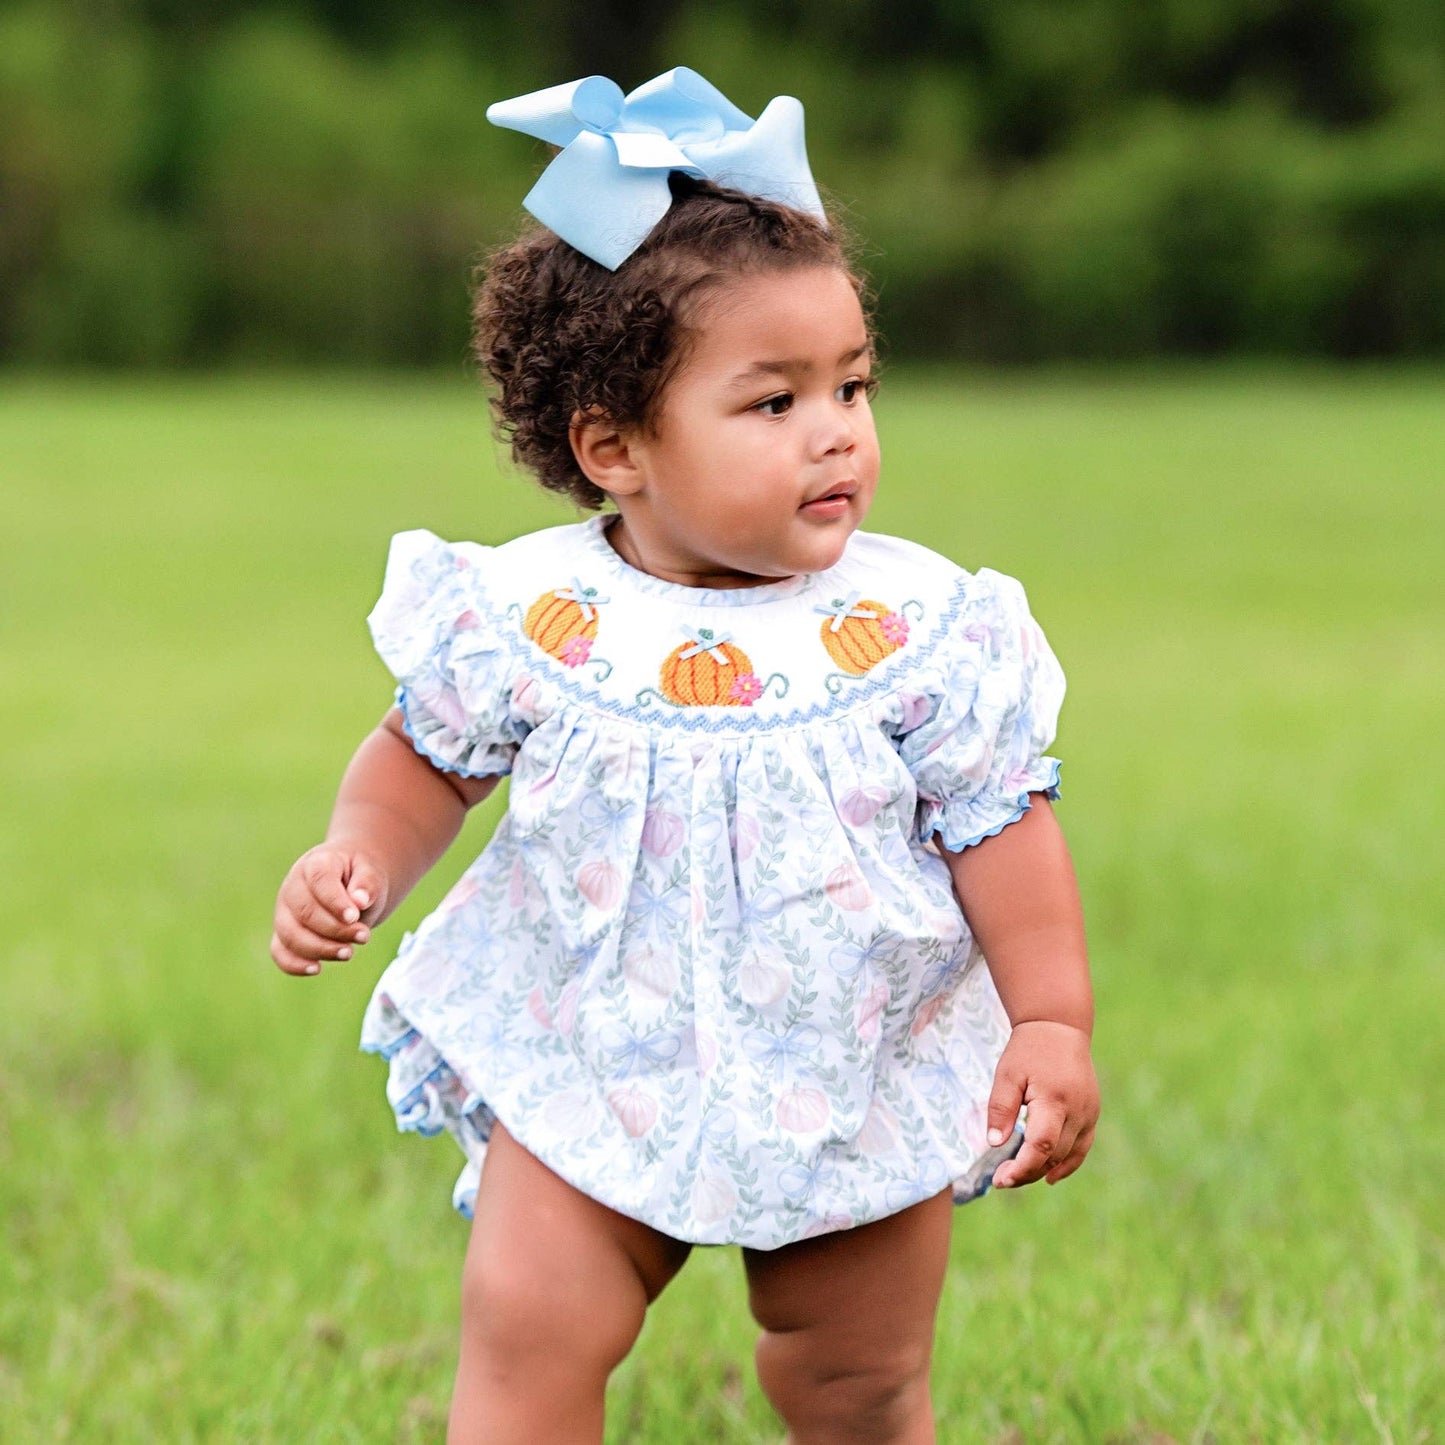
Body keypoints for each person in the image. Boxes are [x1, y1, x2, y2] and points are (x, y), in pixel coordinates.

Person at [272, 67, 1099, 1445]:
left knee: (849, 1373)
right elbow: (425, 756)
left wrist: (1049, 1015)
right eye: (771, 402)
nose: (835, 427)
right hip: (596, 1040)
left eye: (851, 383)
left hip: (849, 1052)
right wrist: (355, 850)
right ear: (614, 447)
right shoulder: (539, 615)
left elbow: (999, 823)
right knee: (531, 1325)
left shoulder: (911, 630)